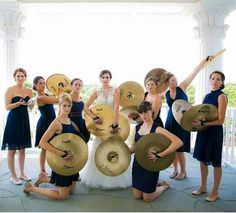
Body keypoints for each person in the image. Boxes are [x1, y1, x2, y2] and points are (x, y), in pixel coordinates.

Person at [23, 93, 85, 200]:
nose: (67, 108)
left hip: (70, 160)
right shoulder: (56, 123)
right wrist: (60, 153)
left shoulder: (69, 120)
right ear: (59, 106)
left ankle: (45, 178)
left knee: (71, 191)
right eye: (64, 106)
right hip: (61, 160)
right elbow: (42, 143)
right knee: (62, 196)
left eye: (69, 106)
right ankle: (31, 188)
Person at [80, 69, 132, 188]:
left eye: (107, 77)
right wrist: (93, 117)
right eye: (103, 77)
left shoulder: (115, 90)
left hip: (114, 123)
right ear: (100, 79)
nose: (105, 79)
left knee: (115, 148)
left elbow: (117, 106)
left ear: (110, 78)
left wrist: (115, 123)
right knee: (99, 148)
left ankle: (115, 176)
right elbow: (86, 106)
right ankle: (98, 178)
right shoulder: (96, 92)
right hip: (101, 125)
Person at [164, 57, 212, 180]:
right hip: (170, 121)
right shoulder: (166, 94)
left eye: (175, 79)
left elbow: (194, 73)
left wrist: (204, 61)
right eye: (172, 80)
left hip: (182, 121)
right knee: (171, 147)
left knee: (179, 149)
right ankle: (175, 170)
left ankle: (183, 172)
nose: (175, 82)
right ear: (168, 83)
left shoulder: (182, 86)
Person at [129, 101, 183, 202]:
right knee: (137, 196)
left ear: (152, 112)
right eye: (141, 113)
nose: (144, 115)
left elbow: (178, 142)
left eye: (146, 112)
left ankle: (163, 187)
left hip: (151, 165)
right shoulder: (136, 128)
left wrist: (160, 155)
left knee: (147, 198)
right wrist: (122, 152)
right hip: (138, 163)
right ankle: (154, 186)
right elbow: (134, 147)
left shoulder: (157, 128)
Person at [192, 71, 227, 202]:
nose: (215, 81)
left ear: (222, 82)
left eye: (218, 79)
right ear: (209, 80)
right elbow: (202, 114)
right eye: (212, 78)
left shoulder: (221, 97)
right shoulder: (206, 96)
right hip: (204, 130)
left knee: (216, 162)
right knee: (202, 159)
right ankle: (203, 187)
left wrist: (205, 123)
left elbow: (221, 120)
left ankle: (215, 191)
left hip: (214, 132)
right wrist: (196, 121)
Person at [1, 68, 34, 185]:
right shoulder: (10, 89)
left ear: (25, 77)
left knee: (22, 150)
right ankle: (13, 176)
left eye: (22, 76)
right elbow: (7, 107)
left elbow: (30, 108)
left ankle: (22, 173)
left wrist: (30, 104)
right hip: (13, 120)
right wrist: (17, 103)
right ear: (14, 77)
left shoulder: (29, 91)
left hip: (24, 119)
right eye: (18, 76)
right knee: (11, 150)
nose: (20, 78)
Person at [33, 76, 58, 177]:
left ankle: (56, 168)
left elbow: (56, 95)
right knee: (44, 148)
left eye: (43, 83)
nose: (42, 85)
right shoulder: (40, 97)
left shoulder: (47, 94)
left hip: (52, 123)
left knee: (55, 145)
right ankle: (42, 170)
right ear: (35, 85)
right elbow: (57, 100)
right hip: (45, 124)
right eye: (40, 83)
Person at [69, 78, 90, 143]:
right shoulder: (68, 97)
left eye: (79, 85)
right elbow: (60, 113)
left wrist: (94, 117)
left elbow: (86, 110)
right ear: (71, 86)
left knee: (81, 144)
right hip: (70, 123)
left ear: (82, 86)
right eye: (75, 84)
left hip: (81, 123)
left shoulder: (80, 98)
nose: (77, 86)